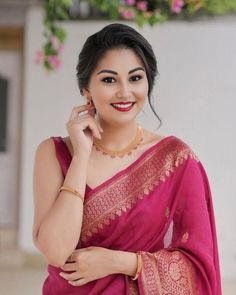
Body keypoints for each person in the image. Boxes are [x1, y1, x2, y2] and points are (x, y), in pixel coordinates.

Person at [32, 23, 221, 295]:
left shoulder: (175, 160)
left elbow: (198, 269)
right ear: (86, 89)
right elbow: (56, 252)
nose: (124, 92)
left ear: (148, 82)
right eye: (109, 79)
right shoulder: (54, 153)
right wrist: (82, 155)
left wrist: (119, 262)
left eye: (135, 78)